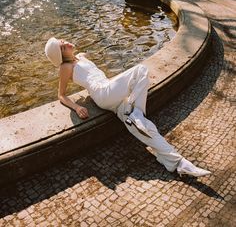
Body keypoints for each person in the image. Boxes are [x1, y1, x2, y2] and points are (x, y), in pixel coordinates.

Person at [45, 37, 211, 178]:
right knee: (140, 71)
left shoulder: (81, 56)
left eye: (63, 40)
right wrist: (76, 107)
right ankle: (137, 112)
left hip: (110, 91)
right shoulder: (65, 67)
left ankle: (177, 162)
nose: (66, 43)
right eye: (62, 46)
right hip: (102, 93)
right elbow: (61, 95)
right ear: (60, 55)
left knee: (144, 126)